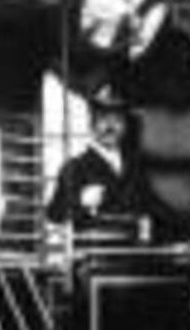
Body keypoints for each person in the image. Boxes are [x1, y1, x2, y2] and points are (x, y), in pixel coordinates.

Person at [46, 83, 171, 239]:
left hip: (135, 255)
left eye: (117, 120)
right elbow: (55, 215)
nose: (110, 127)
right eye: (103, 119)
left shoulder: (137, 168)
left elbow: (159, 210)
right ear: (91, 123)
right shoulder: (75, 168)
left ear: (125, 126)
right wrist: (80, 202)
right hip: (94, 258)